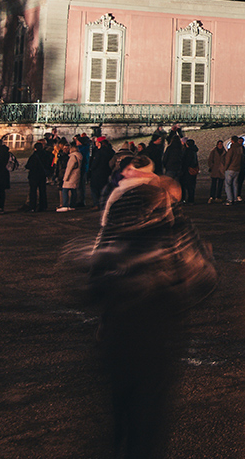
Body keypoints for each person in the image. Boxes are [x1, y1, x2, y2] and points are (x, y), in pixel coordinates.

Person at [87, 157, 216, 459]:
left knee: (118, 411)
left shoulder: (116, 219)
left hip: (116, 329)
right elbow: (204, 279)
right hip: (157, 329)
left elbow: (94, 276)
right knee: (148, 417)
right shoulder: (174, 224)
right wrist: (203, 262)